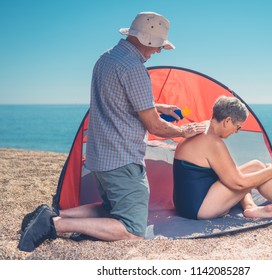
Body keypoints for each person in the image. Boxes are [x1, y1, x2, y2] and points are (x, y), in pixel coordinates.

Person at [18, 12, 206, 252]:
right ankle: (55, 224)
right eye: (158, 46)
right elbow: (155, 126)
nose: (158, 51)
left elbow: (117, 100)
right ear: (146, 40)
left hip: (100, 157)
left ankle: (53, 213)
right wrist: (184, 131)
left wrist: (159, 106)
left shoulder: (105, 59)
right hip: (122, 160)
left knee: (112, 210)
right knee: (133, 229)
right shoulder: (135, 69)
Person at [173, 96, 272, 221]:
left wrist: (263, 172)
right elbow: (238, 182)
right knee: (253, 174)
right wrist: (270, 172)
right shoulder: (212, 142)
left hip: (185, 203)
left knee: (255, 166)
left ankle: (250, 207)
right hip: (199, 208)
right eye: (238, 126)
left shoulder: (200, 129)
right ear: (227, 120)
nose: (237, 131)